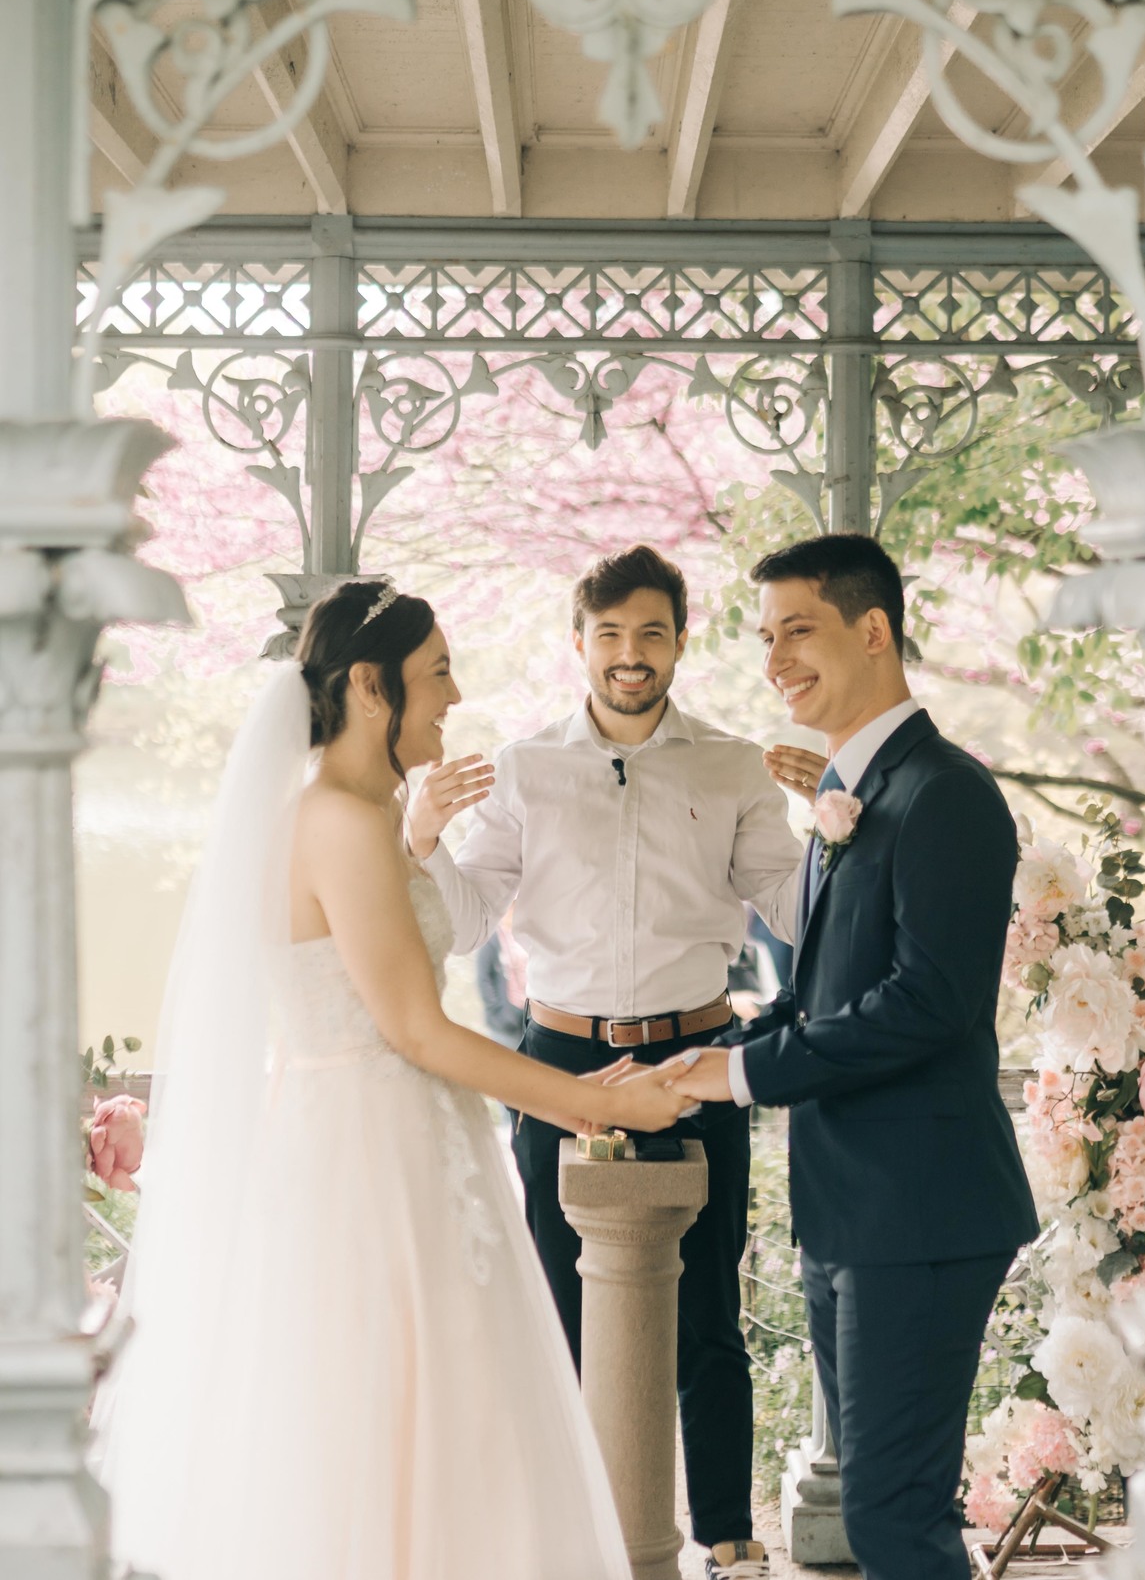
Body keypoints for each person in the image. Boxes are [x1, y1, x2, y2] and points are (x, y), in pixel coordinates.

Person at [91, 578, 684, 1580]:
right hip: (375, 1162)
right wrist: (602, 1101)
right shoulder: (337, 816)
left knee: (448, 1418)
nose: (455, 694)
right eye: (438, 671)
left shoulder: (364, 808)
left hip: (393, 1140)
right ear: (372, 688)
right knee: (411, 1418)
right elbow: (414, 1027)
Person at [408, 544, 821, 1580]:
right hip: (561, 1065)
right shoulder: (523, 769)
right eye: (610, 633)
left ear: (679, 640)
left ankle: (727, 1532)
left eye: (650, 632)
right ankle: (579, 1533)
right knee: (561, 1302)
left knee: (710, 1304)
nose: (629, 654)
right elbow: (462, 927)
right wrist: (423, 836)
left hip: (694, 1058)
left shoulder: (730, 764)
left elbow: (797, 911)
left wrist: (846, 828)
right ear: (579, 641)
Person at [666, 534, 1040, 1580]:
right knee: (886, 1513)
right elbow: (820, 1000)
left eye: (799, 629)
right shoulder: (856, 796)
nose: (775, 657)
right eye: (765, 636)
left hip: (919, 1213)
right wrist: (700, 1055)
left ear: (873, 630)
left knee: (891, 1515)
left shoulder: (945, 794)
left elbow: (927, 1004)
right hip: (855, 1212)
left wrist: (736, 1076)